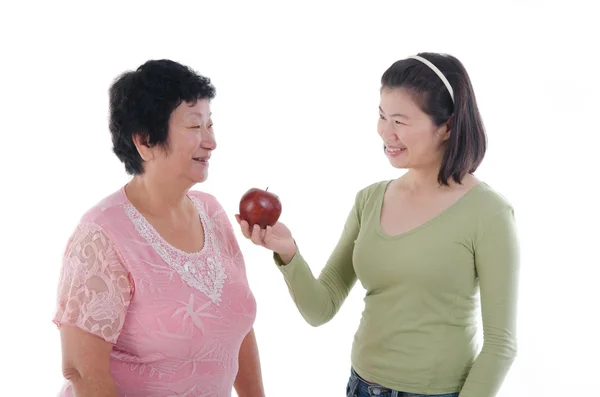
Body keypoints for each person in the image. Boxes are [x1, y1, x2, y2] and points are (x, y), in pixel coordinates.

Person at [237, 52, 519, 397]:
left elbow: (501, 345)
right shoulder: (370, 200)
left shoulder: (489, 213)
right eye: (382, 116)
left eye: (400, 121)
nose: (385, 132)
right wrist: (288, 253)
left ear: (446, 126)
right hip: (360, 386)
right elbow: (320, 308)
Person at [53, 59, 264, 397]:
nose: (211, 141)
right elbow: (82, 373)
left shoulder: (211, 213)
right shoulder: (101, 236)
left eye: (210, 125)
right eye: (195, 127)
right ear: (145, 141)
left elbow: (236, 329)